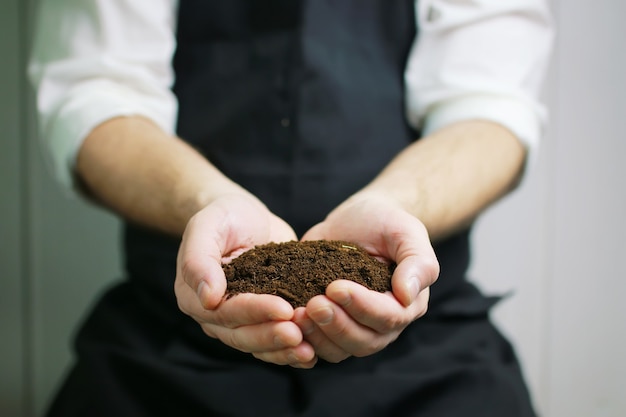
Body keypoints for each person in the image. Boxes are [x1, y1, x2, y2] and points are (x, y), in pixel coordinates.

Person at [28, 0, 553, 416]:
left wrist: (395, 205)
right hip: (167, 346)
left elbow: (490, 106)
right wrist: (209, 203)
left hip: (428, 348)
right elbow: (96, 90)